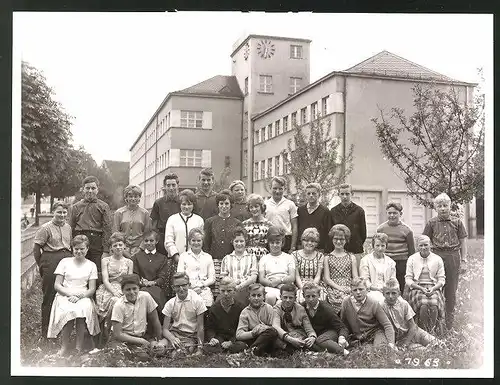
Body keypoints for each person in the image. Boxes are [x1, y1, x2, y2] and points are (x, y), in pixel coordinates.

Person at [47, 235, 100, 355]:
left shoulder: (91, 265)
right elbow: (57, 285)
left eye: (82, 248)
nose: (79, 251)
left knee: (81, 313)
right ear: (72, 249)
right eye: (76, 248)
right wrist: (69, 294)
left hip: (83, 295)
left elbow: (91, 289)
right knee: (68, 312)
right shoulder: (64, 262)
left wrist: (79, 296)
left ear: (87, 249)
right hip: (64, 294)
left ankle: (78, 347)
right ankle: (64, 347)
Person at [422, 192, 468, 330]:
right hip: (436, 257)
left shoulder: (457, 222)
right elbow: (425, 241)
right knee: (435, 287)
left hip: (453, 257)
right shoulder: (431, 223)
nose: (443, 208)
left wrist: (464, 260)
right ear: (435, 208)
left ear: (450, 206)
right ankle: (435, 321)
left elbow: (463, 242)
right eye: (439, 206)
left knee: (451, 290)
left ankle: (449, 323)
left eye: (445, 205)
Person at [33, 202, 73, 339]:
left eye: (64, 212)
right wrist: (43, 265)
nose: (62, 215)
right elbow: (36, 249)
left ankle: (60, 329)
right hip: (51, 260)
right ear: (53, 212)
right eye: (59, 212)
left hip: (67, 260)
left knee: (64, 294)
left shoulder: (68, 227)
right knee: (49, 296)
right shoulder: (45, 228)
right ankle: (46, 333)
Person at [95, 232, 133, 343]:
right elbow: (105, 280)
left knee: (122, 302)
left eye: (120, 245)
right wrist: (114, 291)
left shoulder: (129, 262)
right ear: (111, 247)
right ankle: (107, 331)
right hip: (108, 288)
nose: (118, 247)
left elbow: (129, 280)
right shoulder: (106, 261)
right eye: (115, 245)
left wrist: (123, 291)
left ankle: (120, 334)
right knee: (115, 301)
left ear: (124, 246)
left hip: (123, 288)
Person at [70, 176, 112, 274]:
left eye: (93, 188)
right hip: (79, 239)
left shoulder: (103, 206)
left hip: (96, 241)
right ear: (83, 190)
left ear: (97, 190)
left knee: (96, 270)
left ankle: (94, 288)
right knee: (79, 269)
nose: (90, 191)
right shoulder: (76, 207)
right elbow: (71, 227)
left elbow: (107, 228)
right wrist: (71, 245)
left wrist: (106, 250)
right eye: (87, 188)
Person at [203, 190, 242, 297]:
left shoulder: (236, 222)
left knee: (230, 288)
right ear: (217, 205)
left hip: (231, 260)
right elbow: (206, 243)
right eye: (221, 203)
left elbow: (238, 242)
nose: (224, 206)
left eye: (226, 203)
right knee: (216, 290)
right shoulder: (210, 222)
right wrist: (209, 259)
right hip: (215, 259)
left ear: (231, 205)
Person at [158, 272, 207, 356]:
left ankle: (177, 351)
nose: (181, 289)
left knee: (178, 354)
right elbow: (165, 329)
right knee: (159, 349)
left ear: (189, 285)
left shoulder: (197, 301)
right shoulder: (170, 303)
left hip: (190, 336)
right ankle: (168, 349)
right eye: (177, 286)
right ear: (173, 287)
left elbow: (200, 327)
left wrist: (200, 349)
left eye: (184, 285)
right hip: (174, 333)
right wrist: (172, 338)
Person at [110, 274, 163, 351]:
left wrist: (159, 340)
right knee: (125, 356)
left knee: (154, 353)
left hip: (141, 336)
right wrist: (141, 341)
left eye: (134, 288)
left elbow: (155, 320)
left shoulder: (146, 296)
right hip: (123, 338)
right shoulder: (119, 305)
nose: (132, 292)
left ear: (139, 288)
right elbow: (118, 334)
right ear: (122, 291)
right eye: (128, 289)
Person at [405, 235, 446, 334]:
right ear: (417, 247)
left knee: (434, 305)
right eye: (421, 245)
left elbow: (441, 280)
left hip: (433, 287)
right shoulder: (412, 259)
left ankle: (431, 331)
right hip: (417, 288)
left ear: (430, 245)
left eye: (426, 245)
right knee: (423, 306)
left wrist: (434, 288)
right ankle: (423, 332)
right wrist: (420, 288)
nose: (423, 248)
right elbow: (408, 279)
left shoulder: (437, 259)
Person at [381, 278, 437, 349]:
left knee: (436, 344)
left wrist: (406, 343)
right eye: (387, 293)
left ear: (399, 293)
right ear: (383, 294)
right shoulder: (381, 306)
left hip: (413, 332)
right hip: (400, 338)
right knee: (420, 350)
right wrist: (403, 344)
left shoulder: (404, 304)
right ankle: (416, 347)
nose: (390, 296)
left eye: (394, 293)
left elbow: (412, 326)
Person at [340, 278, 395, 348]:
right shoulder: (346, 302)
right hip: (357, 336)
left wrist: (391, 343)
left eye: (361, 289)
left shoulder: (373, 303)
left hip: (374, 333)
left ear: (367, 290)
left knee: (380, 349)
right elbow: (343, 324)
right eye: (355, 290)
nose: (358, 292)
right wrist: (342, 337)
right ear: (351, 292)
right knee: (360, 352)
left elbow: (387, 324)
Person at [301, 282, 350, 356]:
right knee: (305, 342)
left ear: (319, 295)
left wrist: (342, 337)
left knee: (320, 340)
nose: (311, 299)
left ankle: (344, 352)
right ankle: (327, 352)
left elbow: (342, 327)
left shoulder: (326, 309)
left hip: (330, 332)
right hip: (314, 335)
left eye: (313, 296)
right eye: (308, 296)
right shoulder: (301, 307)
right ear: (303, 296)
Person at [376, 202, 415, 293]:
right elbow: (377, 247)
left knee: (398, 287)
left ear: (400, 214)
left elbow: (412, 252)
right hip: (385, 262)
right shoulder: (381, 229)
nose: (392, 215)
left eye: (395, 213)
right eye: (389, 213)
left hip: (401, 263)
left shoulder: (407, 230)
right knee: (384, 285)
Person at [203, 277, 247, 354]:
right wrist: (213, 338)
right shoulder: (214, 308)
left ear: (234, 291)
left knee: (241, 345)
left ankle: (226, 349)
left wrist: (231, 341)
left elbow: (242, 328)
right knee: (207, 347)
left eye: (229, 291)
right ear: (219, 291)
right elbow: (210, 328)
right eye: (223, 291)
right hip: (220, 338)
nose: (226, 294)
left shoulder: (240, 307)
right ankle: (225, 349)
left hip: (235, 337)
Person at [133, 230, 172, 314]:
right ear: (143, 241)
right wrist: (141, 282)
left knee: (149, 294)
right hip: (141, 287)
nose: (149, 243)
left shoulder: (162, 258)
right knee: (143, 292)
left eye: (151, 240)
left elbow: (162, 277)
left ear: (156, 241)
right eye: (146, 241)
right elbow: (135, 274)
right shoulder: (137, 257)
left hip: (156, 287)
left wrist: (152, 282)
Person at [271, 284, 317, 354]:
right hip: (284, 336)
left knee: (302, 338)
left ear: (295, 298)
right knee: (272, 335)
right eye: (285, 297)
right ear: (280, 297)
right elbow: (276, 326)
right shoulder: (276, 309)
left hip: (297, 335)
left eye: (290, 298)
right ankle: (293, 350)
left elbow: (308, 327)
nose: (287, 300)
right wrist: (290, 339)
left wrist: (312, 337)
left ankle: (297, 350)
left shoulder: (300, 309)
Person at [235, 283, 278, 356]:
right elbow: (239, 335)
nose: (256, 298)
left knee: (271, 332)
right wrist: (253, 333)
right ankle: (255, 350)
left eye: (259, 295)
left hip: (266, 339)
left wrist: (265, 328)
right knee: (239, 345)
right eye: (253, 295)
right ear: (249, 297)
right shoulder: (245, 312)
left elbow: (275, 328)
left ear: (264, 297)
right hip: (252, 339)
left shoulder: (269, 308)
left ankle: (249, 352)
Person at [323, 224, 358, 313]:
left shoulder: (351, 257)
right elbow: (327, 279)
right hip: (333, 286)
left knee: (351, 299)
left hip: (348, 286)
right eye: (336, 239)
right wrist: (339, 288)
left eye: (342, 239)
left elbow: (355, 277)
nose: (338, 241)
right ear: (332, 239)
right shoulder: (327, 257)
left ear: (346, 240)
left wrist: (351, 288)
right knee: (337, 299)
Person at [330, 184, 367, 267]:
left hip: (355, 249)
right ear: (338, 194)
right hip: (338, 249)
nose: (345, 197)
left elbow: (363, 233)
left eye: (347, 194)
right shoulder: (333, 211)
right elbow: (331, 233)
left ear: (352, 194)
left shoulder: (359, 211)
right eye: (342, 194)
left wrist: (357, 244)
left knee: (356, 275)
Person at [177, 228, 215, 308]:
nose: (196, 243)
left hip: (203, 289)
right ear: (189, 242)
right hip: (187, 289)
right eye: (193, 240)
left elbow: (212, 278)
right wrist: (191, 287)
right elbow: (180, 275)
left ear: (202, 241)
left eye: (199, 240)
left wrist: (201, 285)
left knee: (206, 306)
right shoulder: (183, 256)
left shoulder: (208, 257)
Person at [220, 227, 258, 305]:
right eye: (236, 241)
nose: (239, 244)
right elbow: (223, 279)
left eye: (241, 241)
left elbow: (253, 278)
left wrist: (240, 286)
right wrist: (233, 285)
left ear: (245, 242)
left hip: (247, 289)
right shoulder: (227, 258)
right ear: (232, 242)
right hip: (231, 290)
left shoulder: (252, 257)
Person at [258, 226, 296, 305]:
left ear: (282, 243)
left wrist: (279, 281)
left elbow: (292, 277)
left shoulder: (289, 257)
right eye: (272, 243)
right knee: (270, 296)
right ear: (268, 243)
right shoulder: (264, 259)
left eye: (278, 242)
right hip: (270, 287)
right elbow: (261, 279)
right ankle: (268, 317)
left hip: (286, 287)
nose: (275, 245)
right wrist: (271, 284)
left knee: (281, 301)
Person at [164, 189, 204, 263]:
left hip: (194, 260)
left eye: (189, 204)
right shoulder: (172, 219)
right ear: (180, 204)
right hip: (175, 260)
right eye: (184, 204)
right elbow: (168, 241)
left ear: (193, 205)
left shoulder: (199, 220)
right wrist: (176, 256)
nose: (186, 207)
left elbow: (200, 240)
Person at [113, 185, 152, 258]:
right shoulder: (119, 213)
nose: (133, 199)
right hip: (122, 249)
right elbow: (116, 234)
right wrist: (123, 250)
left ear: (139, 198)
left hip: (140, 249)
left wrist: (140, 249)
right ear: (126, 197)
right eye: (130, 196)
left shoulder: (145, 213)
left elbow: (147, 234)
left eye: (136, 196)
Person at [359, 233, 397, 303]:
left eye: (383, 246)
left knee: (402, 303)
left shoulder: (391, 262)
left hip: (388, 291)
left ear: (386, 246)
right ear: (373, 246)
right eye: (377, 245)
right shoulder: (365, 260)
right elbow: (364, 280)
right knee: (381, 301)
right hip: (371, 290)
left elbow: (393, 280)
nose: (380, 248)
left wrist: (390, 290)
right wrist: (376, 288)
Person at [292, 228, 327, 302]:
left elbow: (318, 275)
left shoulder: (320, 256)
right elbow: (296, 275)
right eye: (306, 240)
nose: (309, 243)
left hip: (315, 284)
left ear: (316, 243)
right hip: (300, 285)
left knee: (321, 298)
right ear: (302, 241)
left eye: (313, 241)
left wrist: (312, 289)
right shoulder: (294, 255)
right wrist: (302, 288)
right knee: (300, 298)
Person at [265, 176, 298, 253]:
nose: (277, 191)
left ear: (284, 189)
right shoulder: (265, 204)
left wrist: (292, 247)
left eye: (280, 189)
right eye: (275, 188)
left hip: (286, 240)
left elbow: (295, 226)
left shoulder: (290, 204)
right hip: (270, 240)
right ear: (270, 188)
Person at [296, 183, 333, 253]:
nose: (311, 195)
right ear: (305, 195)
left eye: (314, 193)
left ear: (319, 194)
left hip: (319, 249)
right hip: (302, 248)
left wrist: (326, 250)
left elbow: (328, 232)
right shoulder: (300, 210)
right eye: (308, 193)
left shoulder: (325, 211)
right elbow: (298, 228)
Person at [150, 173, 181, 256]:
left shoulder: (183, 203)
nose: (171, 188)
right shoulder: (158, 203)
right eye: (168, 185)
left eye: (173, 185)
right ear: (164, 187)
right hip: (162, 240)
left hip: (179, 237)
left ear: (178, 186)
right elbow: (153, 225)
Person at [242, 193, 274, 261]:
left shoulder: (269, 225)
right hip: (247, 257)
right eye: (251, 207)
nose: (254, 209)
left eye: (256, 206)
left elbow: (271, 244)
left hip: (264, 258)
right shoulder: (244, 224)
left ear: (261, 207)